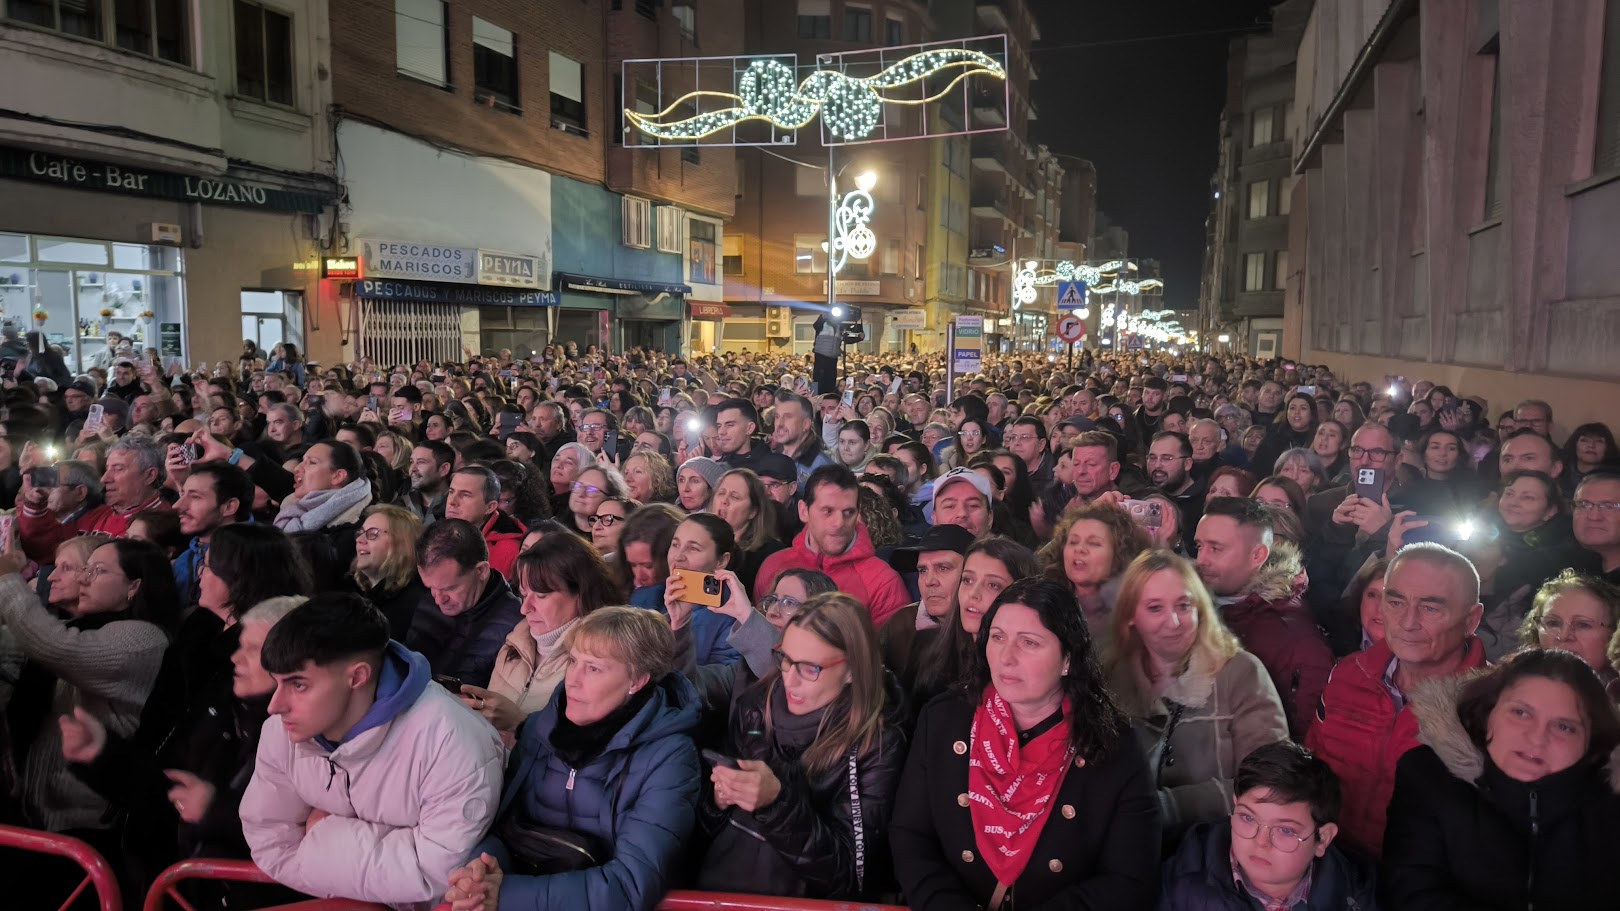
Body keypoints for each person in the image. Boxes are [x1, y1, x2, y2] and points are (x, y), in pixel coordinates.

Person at [890, 577, 1160, 911]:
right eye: (998, 637)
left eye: (1029, 643)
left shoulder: (1112, 745)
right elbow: (910, 837)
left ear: (1068, 659)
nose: (1005, 657)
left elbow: (1129, 880)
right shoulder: (944, 721)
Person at [240, 593, 505, 907]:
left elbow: (436, 875)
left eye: (298, 685)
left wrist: (322, 833)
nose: (275, 705)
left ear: (357, 676)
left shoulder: (454, 743)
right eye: (277, 682)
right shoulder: (283, 731)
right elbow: (270, 842)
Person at [444, 606, 700, 911]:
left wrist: (508, 894)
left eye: (593, 668)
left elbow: (632, 885)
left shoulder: (671, 759)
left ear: (637, 681)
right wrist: (481, 871)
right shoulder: (541, 727)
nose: (572, 681)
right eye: (574, 661)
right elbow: (505, 827)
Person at [690, 592, 906, 901]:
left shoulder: (876, 745)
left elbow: (849, 877)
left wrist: (775, 802)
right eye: (785, 660)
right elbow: (703, 833)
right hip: (719, 890)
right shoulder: (754, 705)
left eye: (809, 668)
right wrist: (718, 801)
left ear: (852, 671)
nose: (789, 680)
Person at [1385, 649, 1620, 908]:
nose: (1537, 738)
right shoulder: (1428, 776)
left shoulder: (1610, 802)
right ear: (1488, 713)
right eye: (1520, 713)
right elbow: (1413, 895)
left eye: (1564, 726)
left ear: (1590, 742)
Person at [0, 536, 179, 874]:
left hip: (88, 827)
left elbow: (55, 646)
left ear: (134, 586)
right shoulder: (85, 627)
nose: (82, 579)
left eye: (97, 571)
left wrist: (8, 579)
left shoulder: (143, 639)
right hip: (41, 815)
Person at [1305, 542, 1490, 859]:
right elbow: (1310, 765)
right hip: (1330, 863)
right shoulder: (1349, 674)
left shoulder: (1493, 706)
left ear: (1471, 619)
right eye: (1396, 602)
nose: (1407, 622)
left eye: (1430, 608)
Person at [1103, 551, 1289, 846]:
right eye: (1154, 608)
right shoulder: (1110, 678)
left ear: (1200, 609)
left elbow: (1269, 780)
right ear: (1130, 618)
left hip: (1219, 849)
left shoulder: (1241, 672)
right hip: (1129, 850)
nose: (1174, 622)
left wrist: (1168, 806)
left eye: (1184, 605)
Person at [1157, 742, 1379, 911]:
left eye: (1286, 830)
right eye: (1247, 818)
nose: (1260, 842)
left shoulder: (1359, 894)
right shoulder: (1181, 878)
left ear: (1323, 838)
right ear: (1235, 805)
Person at [1193, 498, 1334, 738]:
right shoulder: (1190, 605)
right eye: (1199, 546)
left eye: (1216, 548)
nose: (1201, 560)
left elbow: (1304, 740)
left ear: (1258, 555)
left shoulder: (1296, 642)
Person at [469, 534, 617, 736]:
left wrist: (520, 723)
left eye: (541, 595)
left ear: (581, 594)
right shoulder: (514, 642)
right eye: (523, 593)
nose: (525, 608)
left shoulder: (596, 661)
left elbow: (585, 753)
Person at [753, 464, 910, 625]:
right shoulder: (773, 565)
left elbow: (893, 648)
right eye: (827, 511)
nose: (839, 523)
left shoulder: (882, 580)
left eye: (848, 512)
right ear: (803, 511)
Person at [406, 518, 524, 689]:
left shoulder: (513, 627)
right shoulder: (428, 595)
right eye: (430, 587)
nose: (438, 599)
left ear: (481, 571)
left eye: (450, 588)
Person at [1039, 501, 1152, 643]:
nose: (1079, 549)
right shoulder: (1045, 602)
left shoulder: (1134, 616)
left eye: (1093, 543)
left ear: (1119, 555)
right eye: (1073, 542)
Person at [879, 523, 975, 673]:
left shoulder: (990, 629)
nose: (929, 581)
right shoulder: (899, 626)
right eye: (922, 570)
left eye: (943, 568)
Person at [1516, 569, 1620, 696]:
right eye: (1553, 623)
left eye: (1583, 625)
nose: (1564, 636)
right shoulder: (1507, 686)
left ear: (1614, 633)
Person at [660, 514, 744, 668]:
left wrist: (680, 626)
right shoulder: (659, 593)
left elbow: (716, 684)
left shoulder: (733, 617)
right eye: (675, 545)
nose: (678, 557)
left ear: (721, 561)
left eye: (693, 548)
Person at [351, 504, 430, 639]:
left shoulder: (416, 605)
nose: (359, 540)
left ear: (402, 543)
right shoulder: (358, 596)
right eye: (360, 533)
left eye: (373, 534)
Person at [711, 468, 786, 593]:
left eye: (735, 497)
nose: (724, 501)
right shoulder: (701, 540)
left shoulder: (769, 554)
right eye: (721, 493)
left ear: (753, 511)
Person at [444, 465, 527, 577]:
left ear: (490, 507)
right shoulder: (436, 535)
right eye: (451, 492)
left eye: (465, 495)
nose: (452, 502)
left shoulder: (512, 551)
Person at [400, 440, 454, 527]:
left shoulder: (456, 509)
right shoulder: (400, 505)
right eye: (411, 462)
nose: (412, 469)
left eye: (421, 462)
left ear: (444, 469)